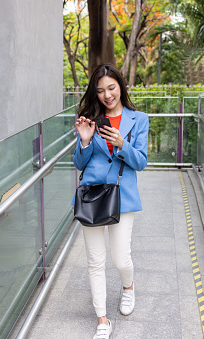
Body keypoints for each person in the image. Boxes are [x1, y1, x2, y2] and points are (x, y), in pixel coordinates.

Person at [72, 64, 148, 339]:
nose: (107, 95)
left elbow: (140, 162)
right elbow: (79, 162)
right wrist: (84, 141)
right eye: (100, 90)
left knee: (120, 257)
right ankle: (102, 320)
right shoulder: (89, 118)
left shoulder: (138, 119)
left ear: (120, 87)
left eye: (111, 88)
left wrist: (122, 144)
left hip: (122, 195)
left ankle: (128, 287)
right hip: (91, 194)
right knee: (95, 260)